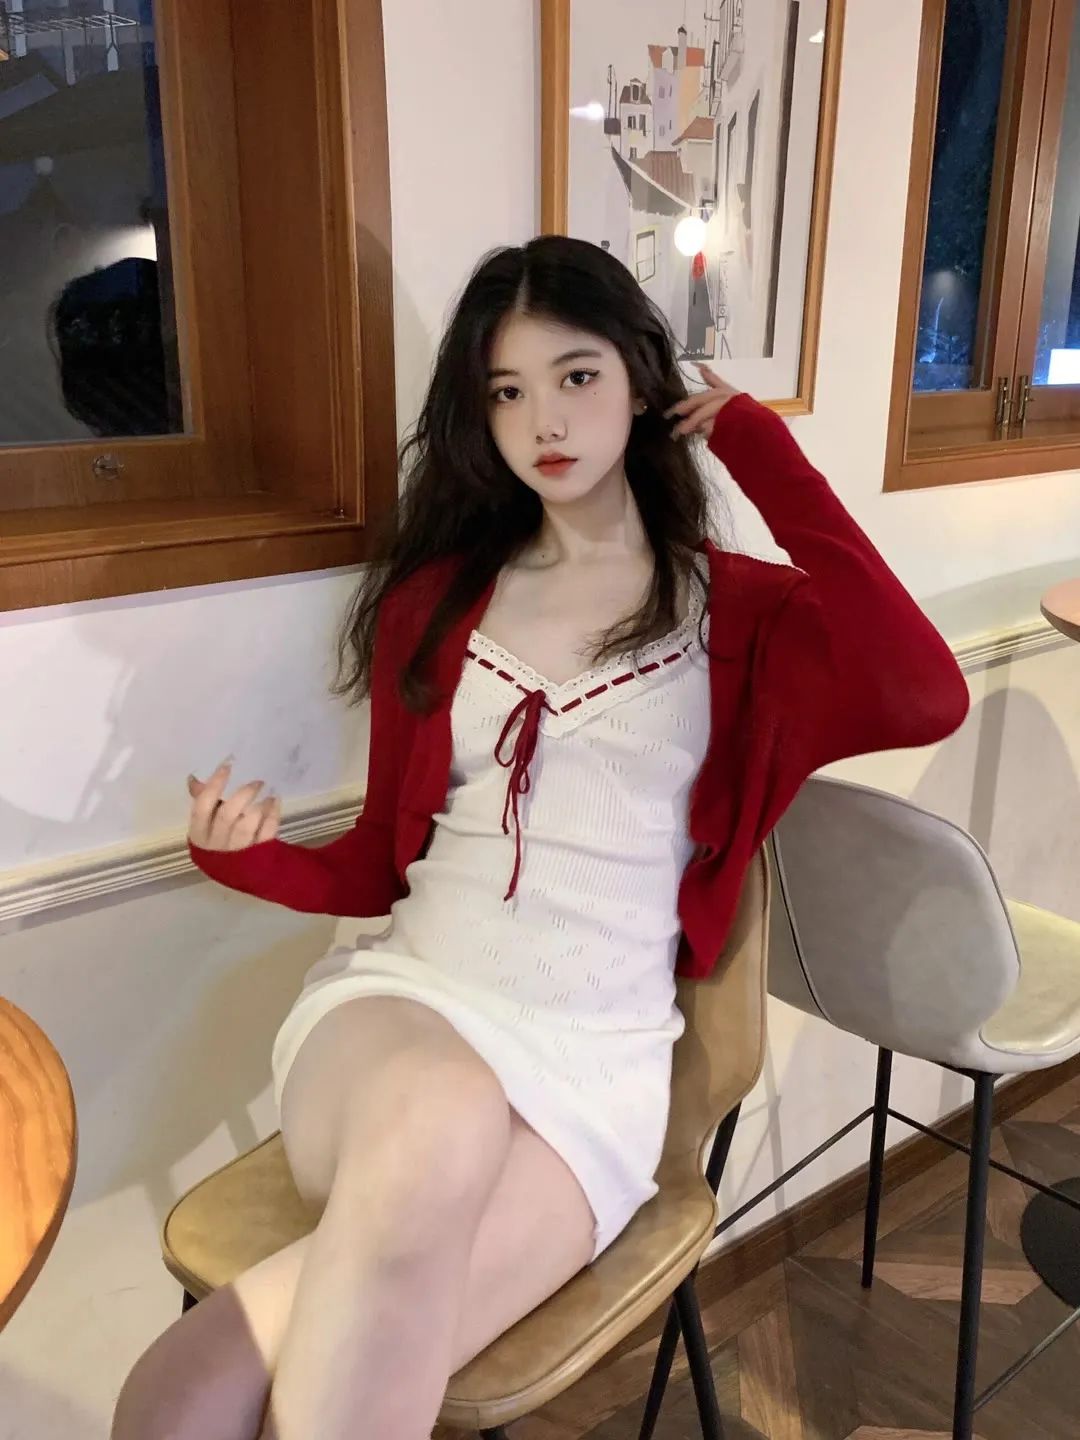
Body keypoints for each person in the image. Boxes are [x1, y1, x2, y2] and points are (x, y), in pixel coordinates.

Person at [112, 236, 969, 1440]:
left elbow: (924, 692)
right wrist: (243, 858)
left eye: (576, 377)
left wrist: (762, 452)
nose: (543, 422)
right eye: (507, 392)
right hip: (401, 1016)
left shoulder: (744, 615)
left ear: (643, 383)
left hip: (590, 1073)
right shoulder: (438, 601)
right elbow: (384, 859)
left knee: (211, 1381)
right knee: (439, 1112)